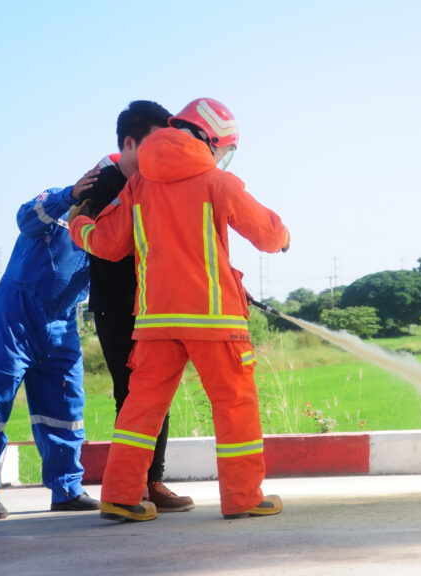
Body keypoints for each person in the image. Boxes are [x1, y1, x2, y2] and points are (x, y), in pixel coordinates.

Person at [69, 97, 290, 522]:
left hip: (155, 322)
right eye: (224, 150)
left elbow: (109, 244)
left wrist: (79, 225)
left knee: (141, 409)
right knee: (234, 405)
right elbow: (265, 233)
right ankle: (243, 496)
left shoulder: (139, 185)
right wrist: (284, 238)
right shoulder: (217, 183)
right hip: (214, 319)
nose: (222, 158)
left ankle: (119, 495)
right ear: (210, 140)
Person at [0, 169, 101, 519]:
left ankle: (67, 488)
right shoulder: (59, 203)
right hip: (15, 317)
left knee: (66, 405)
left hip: (62, 322)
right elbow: (25, 218)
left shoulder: (110, 227)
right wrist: (69, 195)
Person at [79, 100, 194, 513]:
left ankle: (154, 480)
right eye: (153, 144)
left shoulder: (156, 182)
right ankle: (133, 486)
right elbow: (94, 238)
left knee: (158, 394)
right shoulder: (100, 185)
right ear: (129, 143)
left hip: (157, 307)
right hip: (116, 307)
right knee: (131, 395)